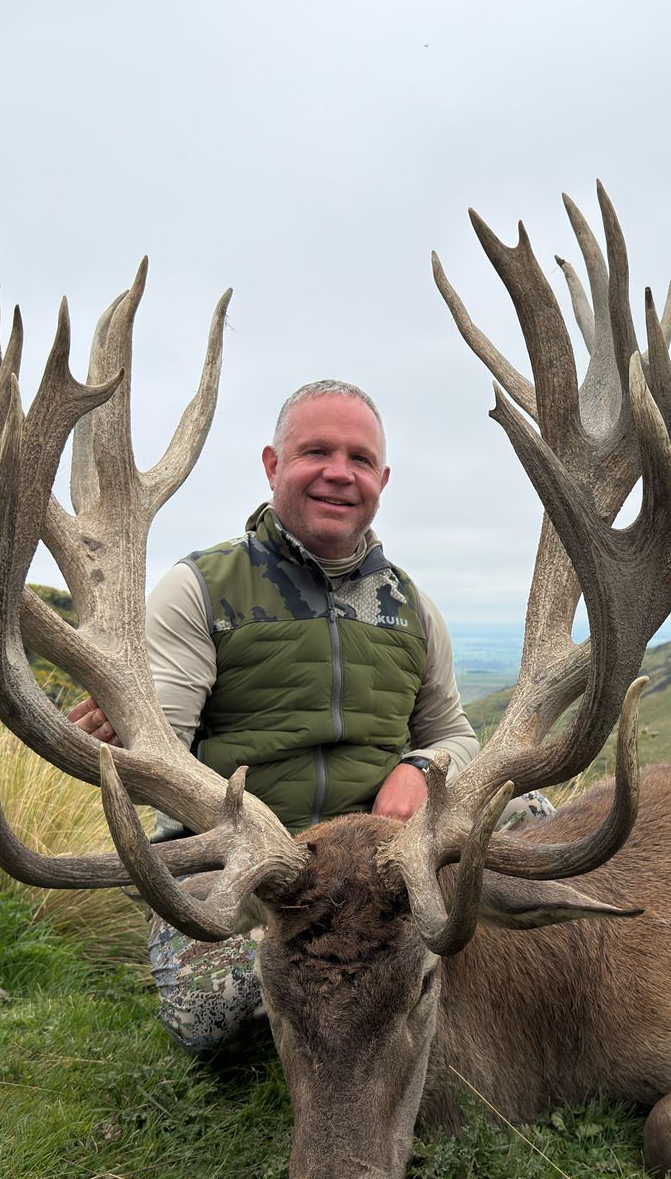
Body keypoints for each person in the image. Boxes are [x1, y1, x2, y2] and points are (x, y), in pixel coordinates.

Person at [69, 379, 486, 1052]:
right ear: (272, 465)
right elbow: (164, 748)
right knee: (210, 1018)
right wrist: (130, 731)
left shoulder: (411, 606)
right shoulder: (200, 588)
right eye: (315, 451)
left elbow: (453, 733)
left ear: (382, 478)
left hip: (378, 861)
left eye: (357, 458)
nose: (337, 473)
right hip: (242, 861)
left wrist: (418, 766)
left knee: (530, 824)